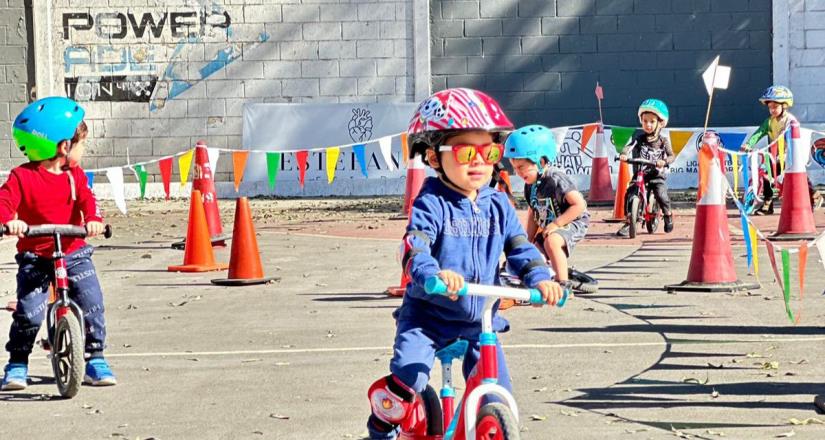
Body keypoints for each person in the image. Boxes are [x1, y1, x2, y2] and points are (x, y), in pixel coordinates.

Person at [365, 88, 564, 439]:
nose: (479, 161)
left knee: (496, 390)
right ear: (434, 157)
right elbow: (415, 247)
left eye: (489, 151)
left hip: (481, 320)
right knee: (409, 377)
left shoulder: (498, 205)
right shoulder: (431, 202)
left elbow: (521, 249)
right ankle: (382, 425)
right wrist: (432, 273)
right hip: (429, 315)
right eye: (466, 151)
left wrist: (541, 279)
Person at [0, 96, 116, 391]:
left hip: (73, 252)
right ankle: (17, 363)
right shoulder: (21, 177)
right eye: (81, 145)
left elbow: (90, 202)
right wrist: (9, 222)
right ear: (64, 147)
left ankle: (95, 357)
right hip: (35, 256)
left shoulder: (75, 177)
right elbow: (4, 203)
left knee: (92, 303)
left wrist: (93, 220)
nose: (83, 151)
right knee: (29, 311)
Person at [504, 125, 589, 287]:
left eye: (521, 167)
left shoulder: (556, 179)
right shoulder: (530, 184)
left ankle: (563, 284)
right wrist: (527, 241)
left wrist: (557, 224)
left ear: (541, 161)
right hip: (549, 228)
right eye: (514, 168)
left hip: (572, 222)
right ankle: (540, 283)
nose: (518, 173)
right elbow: (533, 213)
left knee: (552, 242)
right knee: (532, 255)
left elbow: (579, 205)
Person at [741, 85, 820, 213]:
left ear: (784, 106)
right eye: (770, 107)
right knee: (766, 174)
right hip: (776, 156)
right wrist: (749, 144)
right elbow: (759, 133)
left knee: (795, 176)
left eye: (775, 107)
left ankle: (814, 195)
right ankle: (768, 203)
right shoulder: (769, 122)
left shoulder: (790, 121)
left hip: (791, 155)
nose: (772, 110)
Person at [617, 99, 676, 237]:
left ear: (660, 123)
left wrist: (664, 161)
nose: (648, 125)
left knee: (661, 194)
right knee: (630, 194)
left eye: (652, 121)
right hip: (640, 174)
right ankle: (629, 222)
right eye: (645, 121)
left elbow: (672, 155)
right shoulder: (639, 139)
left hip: (656, 175)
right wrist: (624, 154)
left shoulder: (663, 141)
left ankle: (667, 214)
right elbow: (628, 146)